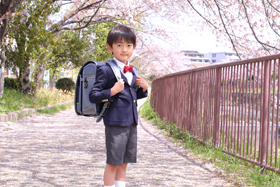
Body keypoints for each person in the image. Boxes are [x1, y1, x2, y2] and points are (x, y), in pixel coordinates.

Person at [89, 25, 149, 187]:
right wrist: (112, 91)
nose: (124, 50)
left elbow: (132, 95)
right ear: (110, 47)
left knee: (124, 163)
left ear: (134, 47)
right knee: (113, 162)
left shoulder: (133, 69)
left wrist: (144, 88)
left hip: (131, 122)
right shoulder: (106, 70)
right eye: (119, 45)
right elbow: (93, 95)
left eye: (129, 46)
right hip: (115, 123)